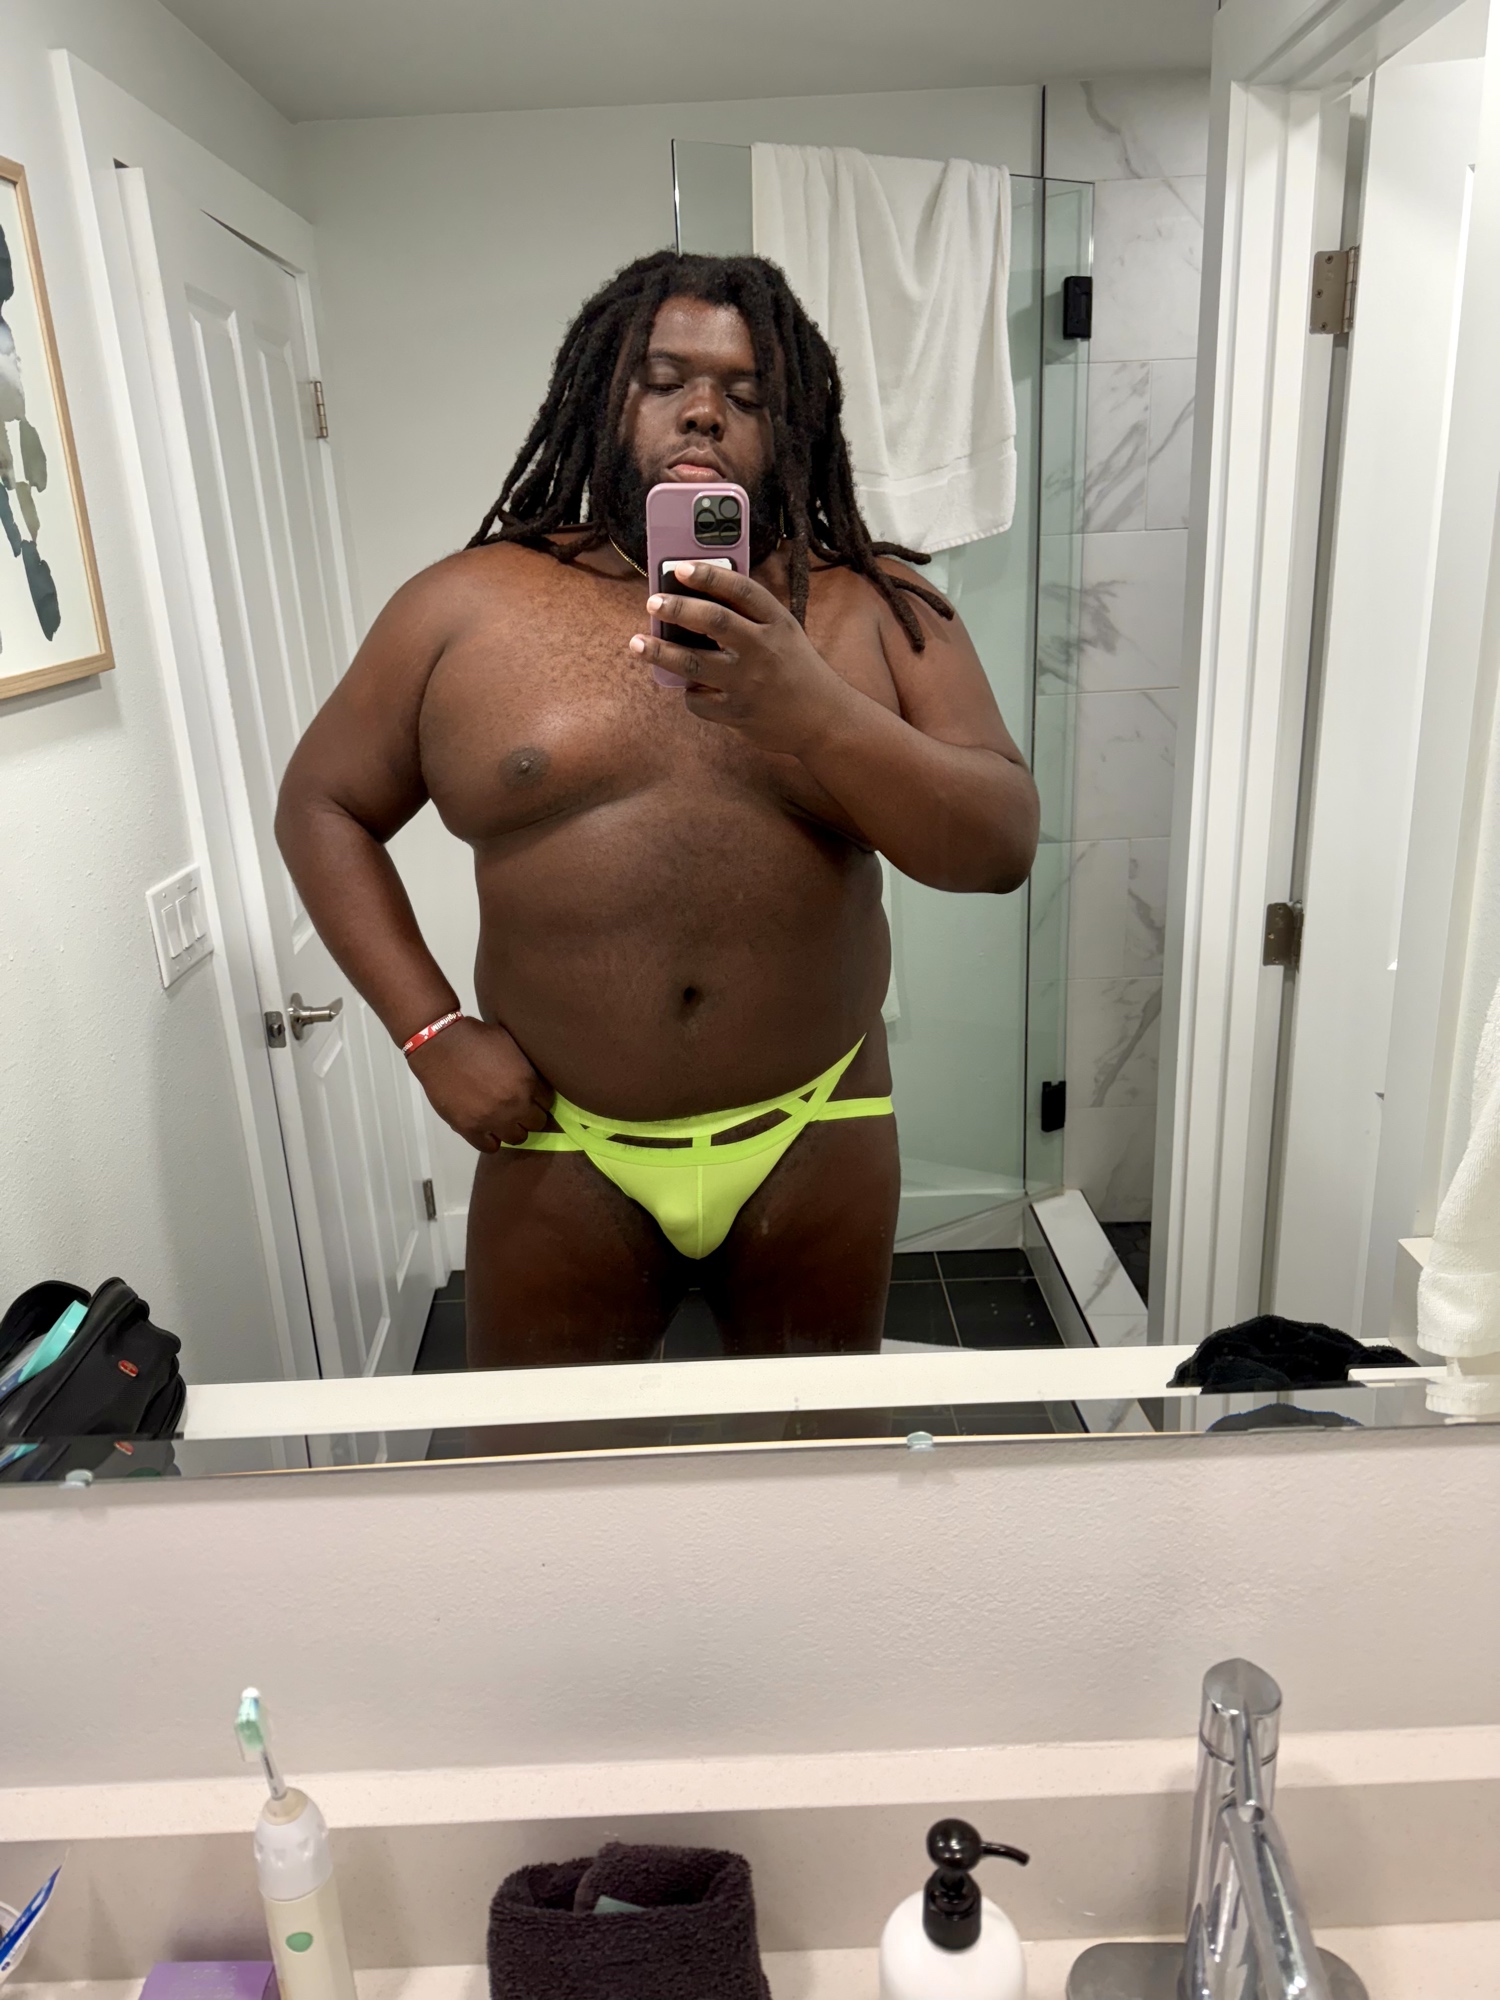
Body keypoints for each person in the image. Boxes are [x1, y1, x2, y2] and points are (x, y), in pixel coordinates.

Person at [275, 251, 1038, 1369]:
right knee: (544, 1461)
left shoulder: (879, 606)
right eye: (663, 378)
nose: (704, 412)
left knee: (818, 1450)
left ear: (793, 424)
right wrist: (431, 1034)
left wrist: (815, 710)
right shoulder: (464, 604)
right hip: (561, 1137)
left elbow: (1001, 845)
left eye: (749, 394)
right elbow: (321, 804)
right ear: (602, 395)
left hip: (816, 1123)